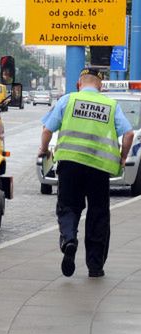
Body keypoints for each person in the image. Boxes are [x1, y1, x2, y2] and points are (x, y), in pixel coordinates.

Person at [39, 68, 134, 278]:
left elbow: (47, 130)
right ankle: (95, 266)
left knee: (68, 207)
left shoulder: (68, 100)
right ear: (100, 86)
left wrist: (43, 150)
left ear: (79, 84)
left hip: (70, 165)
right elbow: (128, 133)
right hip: (99, 169)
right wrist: (123, 156)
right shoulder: (110, 105)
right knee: (98, 213)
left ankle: (69, 239)